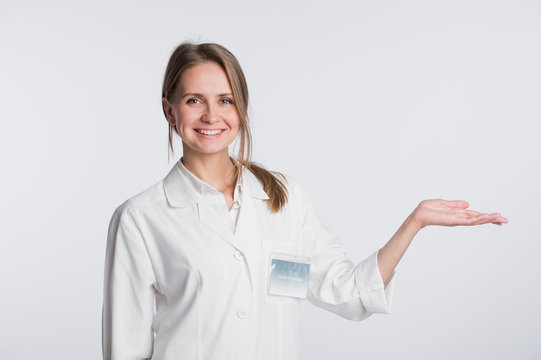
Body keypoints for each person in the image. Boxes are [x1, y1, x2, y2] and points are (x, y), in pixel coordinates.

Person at [101, 42, 508, 360]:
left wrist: (413, 224)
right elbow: (127, 348)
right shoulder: (141, 219)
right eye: (194, 100)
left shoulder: (283, 200)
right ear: (170, 111)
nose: (211, 115)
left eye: (225, 100)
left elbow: (347, 293)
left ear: (240, 109)